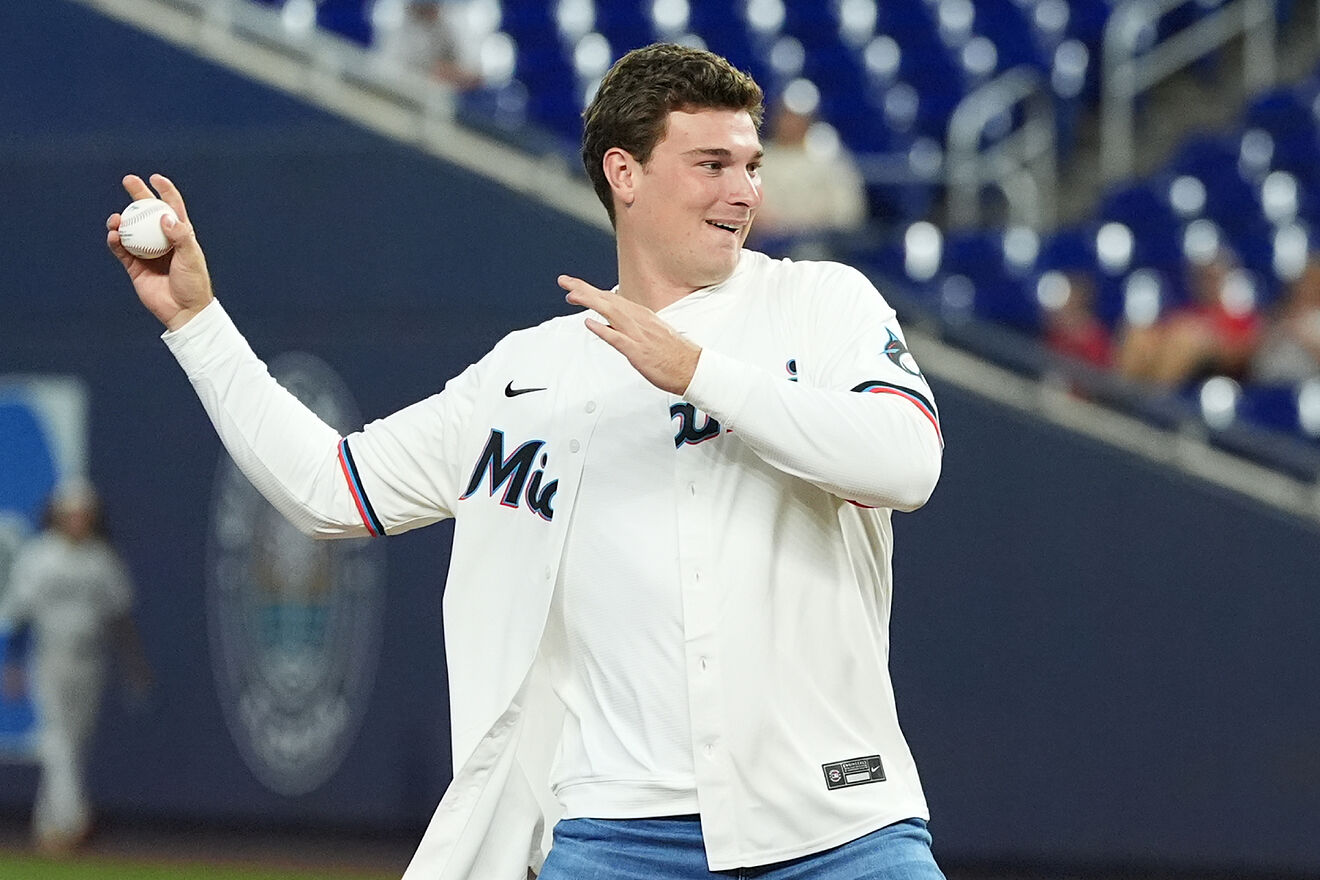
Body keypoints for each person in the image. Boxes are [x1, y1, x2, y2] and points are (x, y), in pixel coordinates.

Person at [106, 43, 945, 880]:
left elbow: (908, 464)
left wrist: (698, 372)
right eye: (712, 163)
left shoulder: (819, 304)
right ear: (625, 173)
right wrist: (198, 323)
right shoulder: (527, 375)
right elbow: (329, 488)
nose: (744, 192)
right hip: (616, 834)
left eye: (751, 165)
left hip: (839, 826)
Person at [0, 481, 151, 854]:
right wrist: (14, 663)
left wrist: (134, 665)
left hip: (91, 659)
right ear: (57, 516)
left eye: (83, 514)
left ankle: (49, 827)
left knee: (74, 743)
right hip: (50, 656)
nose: (77, 521)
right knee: (58, 739)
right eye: (71, 514)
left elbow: (120, 619)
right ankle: (73, 816)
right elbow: (20, 615)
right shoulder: (39, 556)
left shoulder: (101, 560)